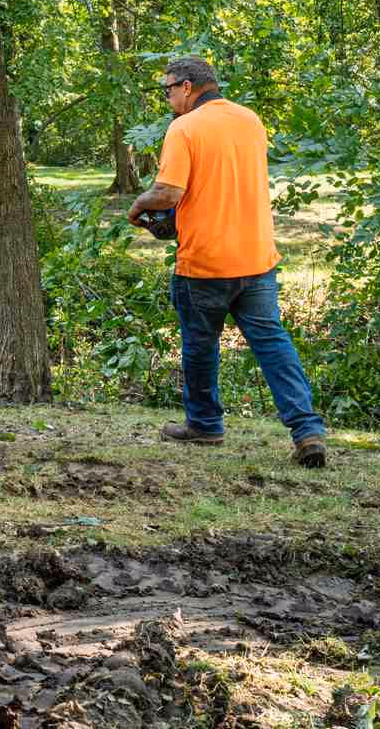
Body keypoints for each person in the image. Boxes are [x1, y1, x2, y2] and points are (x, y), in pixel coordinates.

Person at [126, 57, 327, 468]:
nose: (166, 98)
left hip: (205, 262)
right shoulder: (250, 120)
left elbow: (167, 193)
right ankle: (307, 430)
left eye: (167, 90)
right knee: (273, 344)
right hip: (256, 256)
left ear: (186, 86)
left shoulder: (184, 128)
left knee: (200, 345)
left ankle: (204, 425)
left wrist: (138, 204)